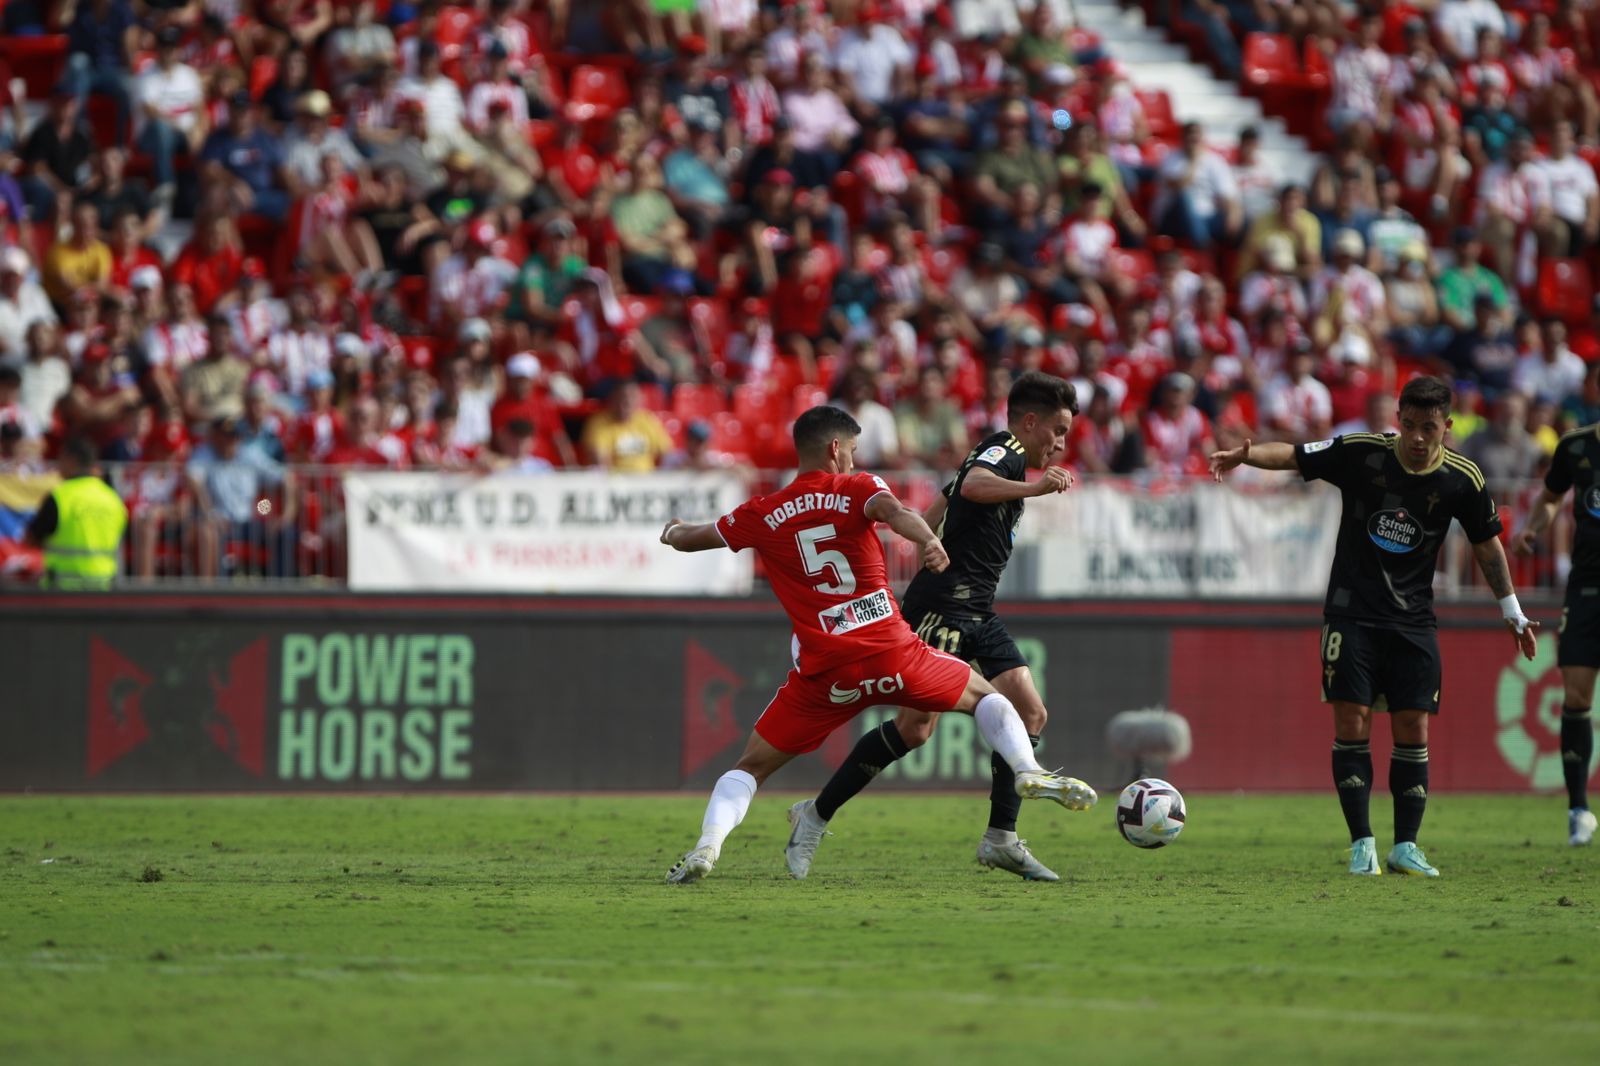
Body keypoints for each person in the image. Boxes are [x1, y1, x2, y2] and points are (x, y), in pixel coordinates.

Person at [658, 405, 1095, 883]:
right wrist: (929, 539)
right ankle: (1025, 767)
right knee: (990, 699)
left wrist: (672, 530)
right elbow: (895, 512)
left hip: (826, 674)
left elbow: (691, 538)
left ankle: (707, 846)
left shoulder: (760, 513)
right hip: (893, 652)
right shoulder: (858, 487)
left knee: (750, 767)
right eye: (851, 450)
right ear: (834, 450)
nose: (852, 459)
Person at [1210, 377, 1539, 877]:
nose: (1417, 438)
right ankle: (1362, 842)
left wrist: (1512, 612)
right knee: (1352, 723)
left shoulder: (1462, 478)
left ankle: (1405, 845)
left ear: (1447, 427)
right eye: (1409, 425)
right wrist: (1246, 455)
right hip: (1352, 612)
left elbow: (1486, 545)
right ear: (1399, 420)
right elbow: (1298, 456)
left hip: (1413, 619)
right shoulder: (1364, 453)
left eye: (1429, 428)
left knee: (1413, 726)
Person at [788, 373, 1086, 881]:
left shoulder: (993, 452)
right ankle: (812, 817)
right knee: (915, 728)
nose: (1061, 443)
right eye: (1057, 430)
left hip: (978, 609)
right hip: (941, 608)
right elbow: (972, 486)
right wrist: (1034, 488)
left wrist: (927, 537)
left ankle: (1001, 839)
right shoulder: (1007, 449)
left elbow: (951, 493)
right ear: (1030, 421)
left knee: (1031, 712)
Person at [1512, 426, 1600, 846]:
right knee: (1577, 696)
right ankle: (1579, 809)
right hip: (1586, 587)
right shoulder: (1575, 446)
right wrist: (1534, 528)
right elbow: (1550, 498)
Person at [24, 435, 128, 589]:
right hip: (103, 587)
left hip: (62, 589)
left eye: (61, 458)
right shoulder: (113, 499)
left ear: (71, 460)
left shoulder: (60, 497)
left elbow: (32, 538)